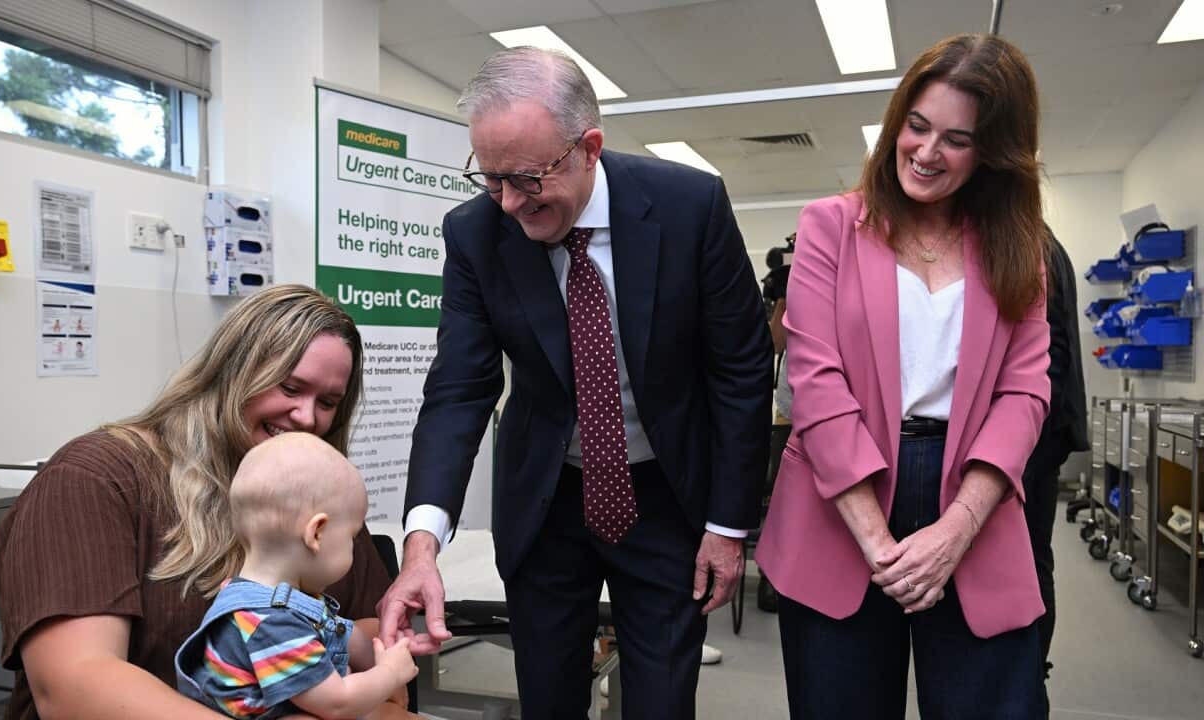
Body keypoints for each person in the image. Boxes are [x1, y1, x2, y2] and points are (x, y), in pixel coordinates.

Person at [377, 47, 773, 719]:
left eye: (527, 180)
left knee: (662, 699)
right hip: (548, 498)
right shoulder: (476, 234)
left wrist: (729, 526)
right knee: (549, 699)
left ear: (588, 147)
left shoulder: (688, 207)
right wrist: (422, 545)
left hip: (664, 495)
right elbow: (460, 390)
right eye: (490, 178)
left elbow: (740, 369)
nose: (507, 203)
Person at [754, 33, 1052, 718]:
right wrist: (879, 544)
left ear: (993, 152)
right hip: (843, 495)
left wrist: (954, 532)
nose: (925, 151)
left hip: (971, 499)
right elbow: (816, 381)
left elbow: (1025, 392)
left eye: (957, 139)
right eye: (916, 126)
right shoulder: (832, 225)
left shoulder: (1016, 247)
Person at [0, 284, 417, 720]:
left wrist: (374, 670)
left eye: (327, 402)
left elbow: (365, 634)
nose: (307, 418)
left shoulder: (318, 491)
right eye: (289, 388)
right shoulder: (95, 478)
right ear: (231, 372)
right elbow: (75, 689)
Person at [176, 432, 418, 719]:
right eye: (351, 536)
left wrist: (392, 645)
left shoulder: (275, 602)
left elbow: (344, 637)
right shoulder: (269, 623)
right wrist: (390, 673)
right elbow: (337, 703)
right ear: (317, 533)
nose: (354, 547)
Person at [1024, 228, 1089, 709]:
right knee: (1033, 556)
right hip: (1044, 432)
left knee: (1025, 558)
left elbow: (1049, 355)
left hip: (1034, 437)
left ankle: (1026, 671)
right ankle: (1028, 667)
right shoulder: (1042, 239)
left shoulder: (1030, 244)